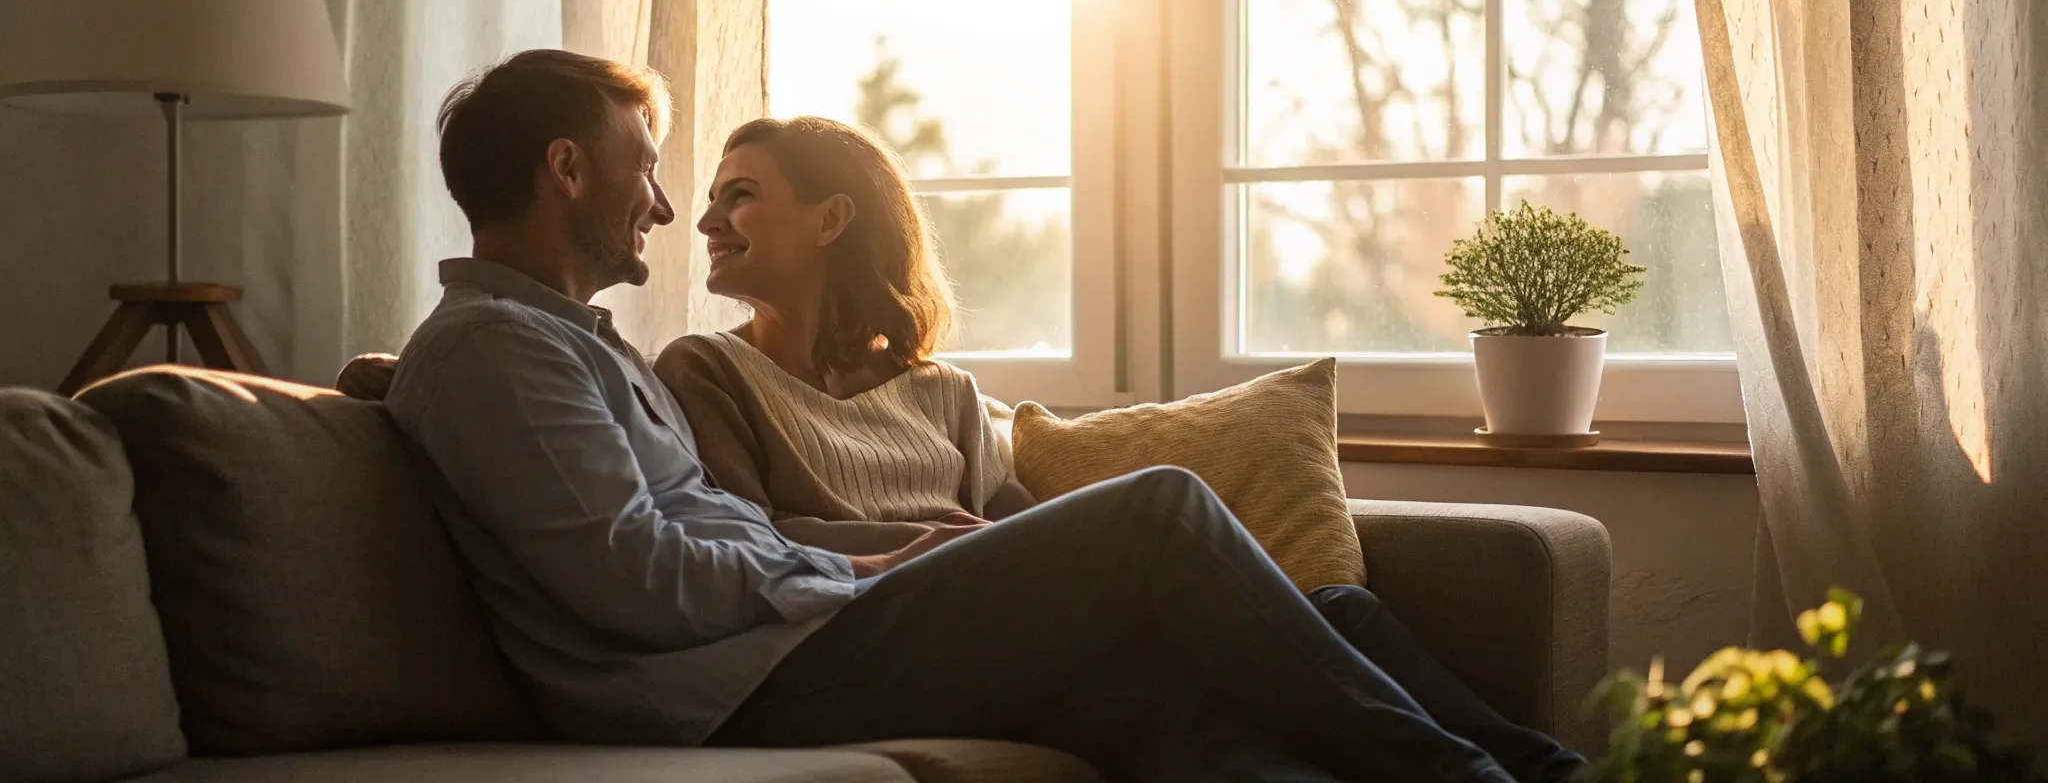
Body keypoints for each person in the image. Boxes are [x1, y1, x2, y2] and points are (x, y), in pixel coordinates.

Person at [380, 48, 1554, 783]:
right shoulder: (496, 350)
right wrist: (846, 571)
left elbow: (672, 526)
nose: (663, 203)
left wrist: (866, 559)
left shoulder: (563, 346)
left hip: (778, 648)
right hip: (736, 689)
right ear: (566, 171)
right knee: (1157, 512)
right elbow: (633, 576)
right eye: (643, 165)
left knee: (1149, 699)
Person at [653, 115, 1583, 783]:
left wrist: (1011, 550)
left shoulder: (940, 390)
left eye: (741, 196)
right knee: (1161, 506)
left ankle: (1560, 771)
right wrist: (926, 539)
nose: (706, 222)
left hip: (1002, 626)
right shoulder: (705, 368)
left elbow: (1023, 526)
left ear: (830, 220)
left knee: (1319, 618)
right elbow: (750, 537)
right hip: (860, 632)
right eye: (713, 199)